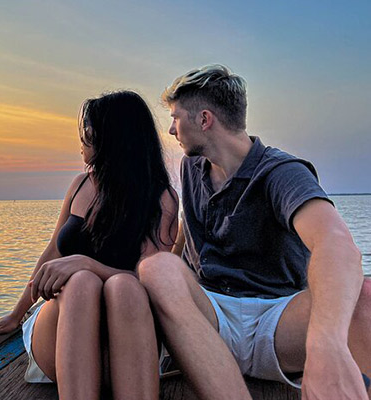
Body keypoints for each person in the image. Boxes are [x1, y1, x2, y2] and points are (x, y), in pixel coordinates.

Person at [138, 64, 371, 400]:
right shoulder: (192, 167)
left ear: (204, 120)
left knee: (363, 296)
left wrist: (327, 346)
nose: (172, 130)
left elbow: (336, 245)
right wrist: (162, 283)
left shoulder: (281, 173)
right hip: (212, 318)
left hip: (280, 321)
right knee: (156, 267)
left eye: (176, 117)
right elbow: (184, 237)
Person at [0, 90, 179, 400]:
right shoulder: (80, 186)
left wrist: (86, 263)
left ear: (113, 138)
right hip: (64, 335)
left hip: (127, 342)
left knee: (120, 286)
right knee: (81, 284)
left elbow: (152, 282)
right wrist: (16, 312)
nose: (82, 142)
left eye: (88, 132)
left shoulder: (161, 198)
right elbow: (52, 253)